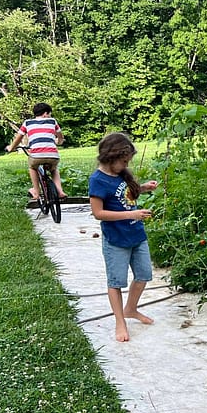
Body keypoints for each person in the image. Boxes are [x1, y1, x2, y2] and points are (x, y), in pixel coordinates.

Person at [88, 132, 159, 343]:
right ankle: (120, 321)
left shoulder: (120, 175)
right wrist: (132, 214)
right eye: (124, 161)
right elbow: (98, 213)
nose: (126, 164)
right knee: (116, 281)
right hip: (116, 239)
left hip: (136, 234)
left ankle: (131, 308)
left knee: (144, 274)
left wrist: (143, 188)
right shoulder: (98, 180)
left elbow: (125, 196)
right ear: (111, 157)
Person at [6, 102, 65, 199]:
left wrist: (11, 148)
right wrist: (58, 142)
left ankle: (36, 192)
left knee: (32, 167)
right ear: (45, 113)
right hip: (52, 155)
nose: (50, 116)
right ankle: (60, 191)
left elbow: (18, 138)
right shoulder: (52, 121)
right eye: (50, 114)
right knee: (54, 169)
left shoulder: (27, 123)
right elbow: (60, 137)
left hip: (36, 155)